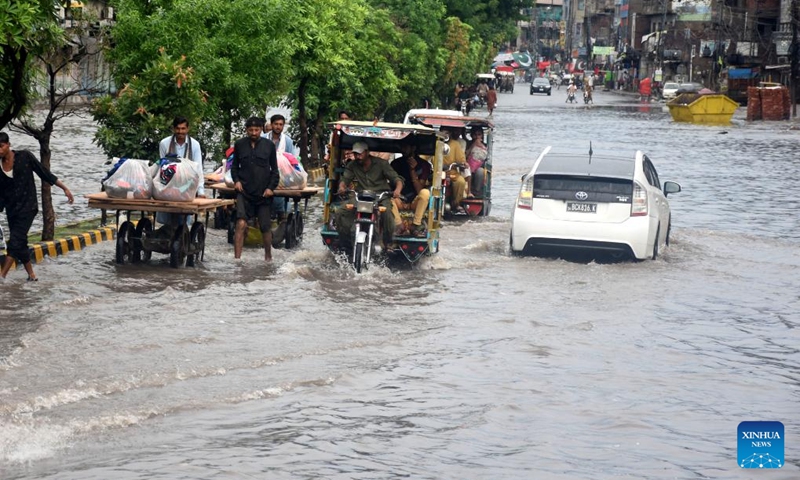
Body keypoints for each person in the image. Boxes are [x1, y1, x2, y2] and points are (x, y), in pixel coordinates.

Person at [0, 132, 74, 281]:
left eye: (1, 146)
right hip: (11, 208)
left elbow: (44, 173)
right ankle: (32, 276)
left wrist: (64, 188)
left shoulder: (24, 157)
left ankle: (2, 277)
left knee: (14, 241)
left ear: (8, 145)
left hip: (28, 207)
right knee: (20, 242)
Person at [230, 117, 280, 261]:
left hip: (263, 193)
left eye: (256, 130)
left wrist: (271, 188)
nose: (253, 133)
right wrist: (237, 181)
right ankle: (237, 259)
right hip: (244, 192)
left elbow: (275, 171)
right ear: (246, 130)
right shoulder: (239, 144)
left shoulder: (269, 145)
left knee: (265, 227)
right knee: (240, 223)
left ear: (261, 130)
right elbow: (234, 167)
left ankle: (268, 257)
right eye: (251, 130)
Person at [336, 141, 403, 247]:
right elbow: (345, 179)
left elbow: (396, 179)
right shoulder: (352, 165)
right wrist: (342, 187)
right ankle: (346, 240)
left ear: (367, 152)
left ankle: (387, 241)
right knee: (340, 212)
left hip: (380, 197)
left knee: (387, 214)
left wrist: (397, 190)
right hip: (360, 196)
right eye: (355, 154)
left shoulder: (381, 164)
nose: (357, 157)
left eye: (360, 154)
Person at [157, 116, 204, 228]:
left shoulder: (195, 145)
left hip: (187, 185)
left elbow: (198, 169)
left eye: (183, 129)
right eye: (178, 129)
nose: (180, 132)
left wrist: (201, 191)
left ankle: (182, 235)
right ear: (174, 129)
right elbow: (162, 167)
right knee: (167, 217)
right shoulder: (164, 143)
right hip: (169, 185)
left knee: (183, 220)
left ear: (187, 129)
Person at [391, 144, 432, 238]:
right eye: (402, 147)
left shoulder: (424, 165)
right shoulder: (395, 164)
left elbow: (419, 190)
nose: (402, 149)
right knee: (387, 198)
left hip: (415, 202)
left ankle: (415, 225)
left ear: (413, 147)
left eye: (405, 146)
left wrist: (412, 170)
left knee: (425, 193)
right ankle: (399, 225)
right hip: (399, 200)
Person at [264, 114, 295, 222]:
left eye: (280, 124)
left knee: (280, 199)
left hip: (282, 176)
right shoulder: (263, 138)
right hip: (264, 174)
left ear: (283, 126)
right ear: (271, 125)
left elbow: (292, 159)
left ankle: (282, 215)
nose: (278, 127)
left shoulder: (288, 141)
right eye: (276, 124)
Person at [442, 127, 469, 213]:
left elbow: (461, 159)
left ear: (450, 134)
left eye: (447, 133)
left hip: (451, 172)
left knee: (460, 181)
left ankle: (456, 203)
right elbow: (425, 156)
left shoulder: (455, 144)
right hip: (437, 172)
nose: (445, 135)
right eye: (443, 133)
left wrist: (463, 163)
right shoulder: (435, 143)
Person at [465, 126, 488, 195]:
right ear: (472, 135)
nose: (477, 137)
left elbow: (485, 158)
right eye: (475, 135)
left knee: (480, 172)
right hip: (467, 165)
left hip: (479, 167)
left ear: (482, 136)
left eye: (479, 134)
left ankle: (477, 192)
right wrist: (473, 145)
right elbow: (464, 155)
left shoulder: (485, 146)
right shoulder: (468, 144)